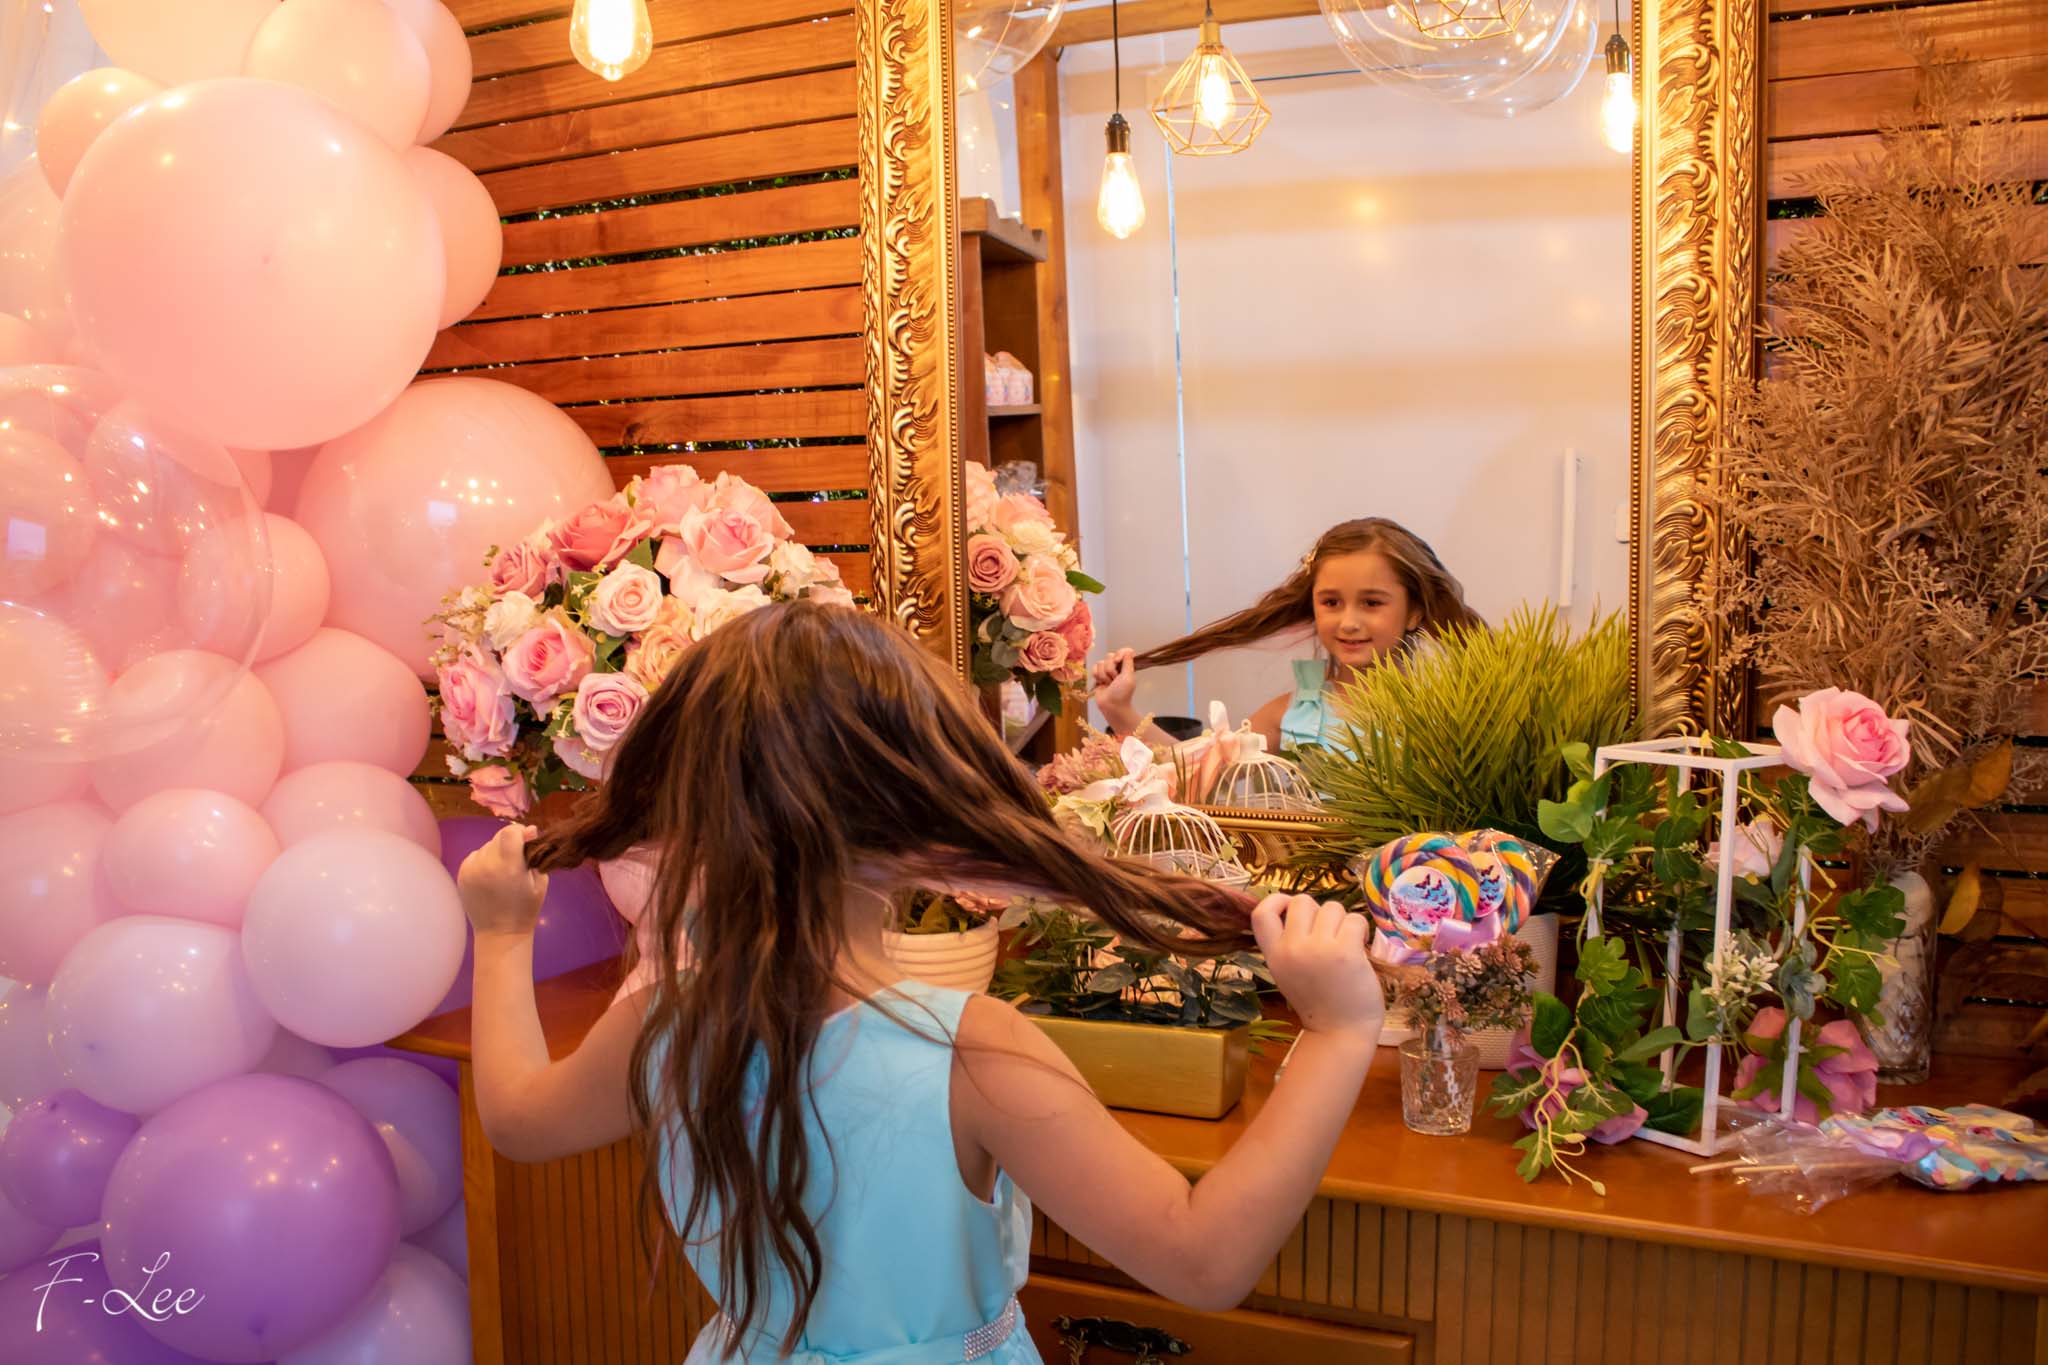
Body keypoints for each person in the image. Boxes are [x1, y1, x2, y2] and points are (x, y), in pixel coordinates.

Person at [454, 600, 1384, 1365]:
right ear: (921, 819)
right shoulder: (971, 1052)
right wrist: (1340, 1032)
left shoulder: (664, 1020)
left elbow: (519, 1120)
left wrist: (500, 935)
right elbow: (1203, 1259)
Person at [1091, 517, 1481, 752]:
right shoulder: (1291, 715)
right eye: (1331, 602)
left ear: (1414, 611)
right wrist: (1120, 711)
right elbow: (1196, 771)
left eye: (1371, 603)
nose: (1348, 622)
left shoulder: (1446, 718)